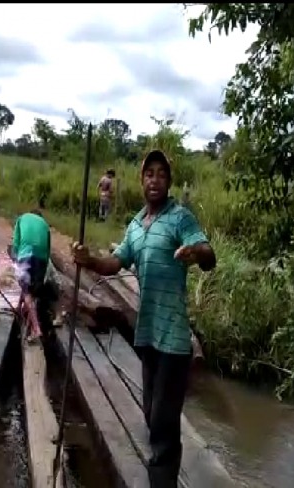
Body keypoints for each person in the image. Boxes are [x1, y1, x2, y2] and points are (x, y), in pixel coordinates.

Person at [71, 150, 216, 487]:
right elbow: (115, 263)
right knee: (152, 415)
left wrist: (196, 253)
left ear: (169, 181)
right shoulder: (136, 225)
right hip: (147, 333)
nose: (155, 179)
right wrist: (88, 260)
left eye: (161, 174)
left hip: (174, 338)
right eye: (149, 173)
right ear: (141, 180)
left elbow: (209, 256)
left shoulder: (181, 218)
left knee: (163, 427)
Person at [11, 209, 51, 342]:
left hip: (26, 255)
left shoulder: (21, 218)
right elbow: (48, 251)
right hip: (42, 258)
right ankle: (27, 324)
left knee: (27, 290)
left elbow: (15, 245)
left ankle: (36, 329)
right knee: (31, 290)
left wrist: (16, 262)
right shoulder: (45, 224)